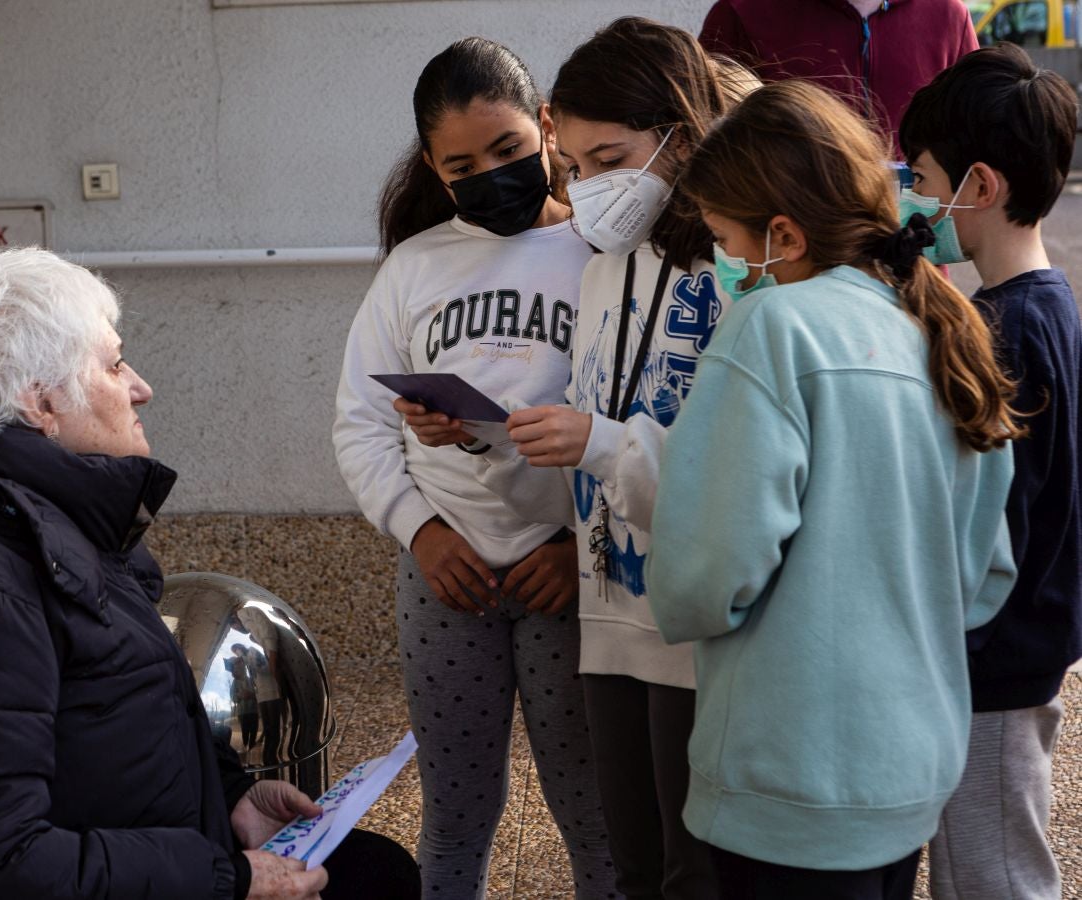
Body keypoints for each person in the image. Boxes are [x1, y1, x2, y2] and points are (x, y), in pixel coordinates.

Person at [0, 249, 419, 900]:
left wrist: (231, 800)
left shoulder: (24, 526)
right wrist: (226, 880)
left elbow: (99, 720)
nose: (140, 387)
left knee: (371, 870)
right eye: (114, 363)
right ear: (41, 402)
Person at [647, 79, 1020, 899]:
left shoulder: (770, 328)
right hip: (909, 769)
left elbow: (705, 575)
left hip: (788, 777)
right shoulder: (939, 330)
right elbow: (984, 578)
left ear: (782, 234)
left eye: (724, 238)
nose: (724, 262)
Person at [398, 18, 745, 898]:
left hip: (694, 629)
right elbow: (593, 431)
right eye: (579, 165)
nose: (589, 188)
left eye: (610, 160)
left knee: (693, 870)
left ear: (681, 135)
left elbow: (735, 472)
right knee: (633, 862)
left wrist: (595, 442)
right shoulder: (600, 269)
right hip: (609, 618)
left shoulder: (736, 276)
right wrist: (483, 437)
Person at [332, 37, 617, 900]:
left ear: (545, 127)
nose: (490, 176)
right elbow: (360, 425)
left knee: (596, 816)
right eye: (463, 166)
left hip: (571, 576)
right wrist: (419, 532)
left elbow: (639, 425)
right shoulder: (414, 266)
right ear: (433, 166)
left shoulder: (605, 254)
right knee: (454, 815)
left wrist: (579, 545)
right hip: (445, 577)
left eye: (507, 150)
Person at [899, 43, 1081, 900]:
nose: (914, 199)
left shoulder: (1002, 332)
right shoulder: (1050, 303)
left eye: (922, 178)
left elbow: (993, 522)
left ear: (979, 184)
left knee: (995, 878)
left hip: (993, 669)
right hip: (1018, 654)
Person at [698, 0, 977, 149]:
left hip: (914, 234)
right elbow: (703, 143)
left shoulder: (949, 17)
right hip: (786, 232)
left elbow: (974, 138)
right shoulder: (742, 12)